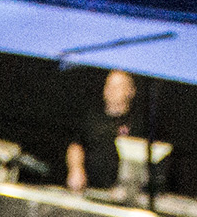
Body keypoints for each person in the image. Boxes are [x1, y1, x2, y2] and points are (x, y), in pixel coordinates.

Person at [64, 69, 151, 199]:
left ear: (130, 91)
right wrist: (76, 169)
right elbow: (76, 145)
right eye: (109, 85)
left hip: (122, 195)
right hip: (88, 190)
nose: (111, 90)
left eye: (118, 86)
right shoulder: (92, 117)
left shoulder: (139, 125)